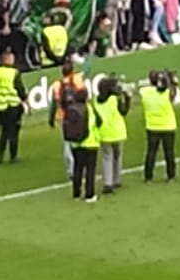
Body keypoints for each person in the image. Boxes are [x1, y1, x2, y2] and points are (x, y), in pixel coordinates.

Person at [52, 68, 97, 203]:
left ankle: (76, 191)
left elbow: (54, 103)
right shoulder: (87, 107)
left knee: (74, 160)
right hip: (89, 141)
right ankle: (89, 194)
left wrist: (52, 118)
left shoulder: (57, 84)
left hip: (66, 121)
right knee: (89, 169)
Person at [139, 69, 180, 184]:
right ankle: (171, 175)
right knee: (169, 152)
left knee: (151, 152)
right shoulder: (167, 92)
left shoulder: (145, 92)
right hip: (168, 126)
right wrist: (169, 80)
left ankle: (148, 177)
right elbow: (174, 93)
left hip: (152, 126)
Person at [93, 75, 129, 195]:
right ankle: (117, 179)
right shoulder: (114, 100)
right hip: (117, 132)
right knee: (117, 155)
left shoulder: (95, 101)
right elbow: (124, 111)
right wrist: (127, 98)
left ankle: (107, 183)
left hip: (104, 133)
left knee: (106, 157)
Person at [0, 50, 24, 164]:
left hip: (0, 106)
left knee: (3, 131)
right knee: (14, 132)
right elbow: (20, 89)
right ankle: (13, 156)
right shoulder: (13, 73)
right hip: (13, 105)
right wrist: (25, 101)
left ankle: (0, 155)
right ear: (8, 60)